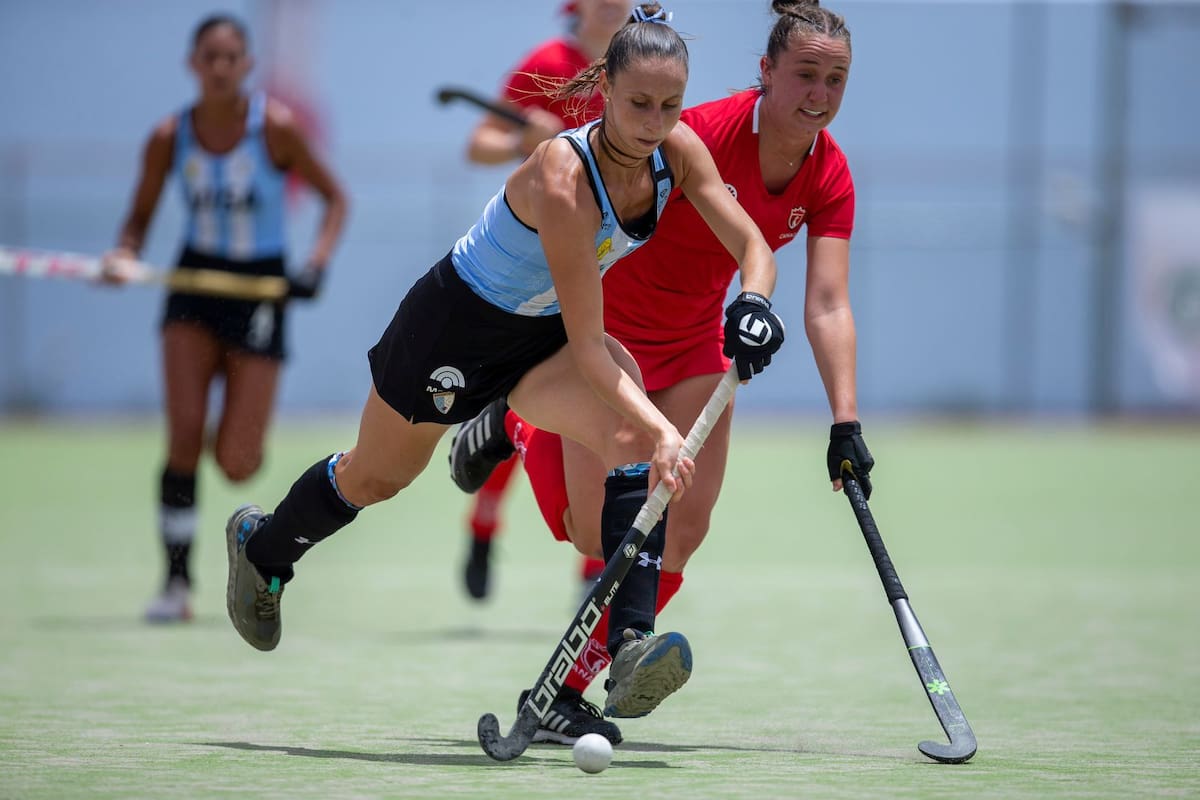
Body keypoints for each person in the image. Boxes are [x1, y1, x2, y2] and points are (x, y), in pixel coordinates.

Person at [224, 8, 783, 749]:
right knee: (377, 478)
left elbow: (753, 244)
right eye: (639, 103)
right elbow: (591, 348)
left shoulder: (676, 152)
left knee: (626, 434)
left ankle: (629, 644)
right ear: (605, 90)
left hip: (539, 334)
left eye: (670, 105)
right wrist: (663, 430)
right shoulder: (564, 177)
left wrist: (754, 302)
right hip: (454, 328)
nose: (655, 123)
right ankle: (264, 549)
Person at [449, 0, 872, 746]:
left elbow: (829, 303)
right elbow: (582, 194)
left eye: (835, 80)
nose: (819, 95)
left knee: (679, 532)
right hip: (605, 340)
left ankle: (567, 690)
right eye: (805, 75)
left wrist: (845, 422)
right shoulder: (690, 133)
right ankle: (515, 420)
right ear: (766, 71)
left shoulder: (830, 174)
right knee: (590, 533)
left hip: (694, 349)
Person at [103, 14, 348, 623]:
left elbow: (335, 200)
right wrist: (124, 254)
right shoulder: (169, 136)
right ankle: (175, 583)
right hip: (194, 286)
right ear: (193, 64)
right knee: (183, 433)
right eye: (208, 57)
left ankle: (234, 448)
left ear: (246, 65)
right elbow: (137, 219)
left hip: (260, 290)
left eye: (230, 57)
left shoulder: (276, 129)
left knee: (238, 462)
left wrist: (315, 265)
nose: (219, 68)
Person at [455, 0, 634, 602]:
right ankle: (485, 523)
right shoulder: (549, 63)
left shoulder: (643, 64)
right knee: (535, 402)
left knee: (609, 408)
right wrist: (521, 139)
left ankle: (595, 568)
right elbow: (478, 145)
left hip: (616, 260)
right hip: (545, 265)